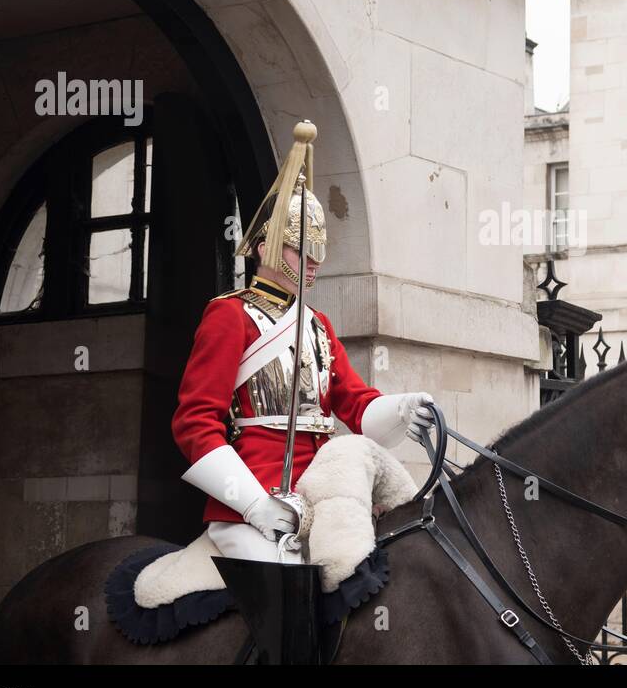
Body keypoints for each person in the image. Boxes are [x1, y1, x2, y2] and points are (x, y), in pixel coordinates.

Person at [172, 121, 435, 563]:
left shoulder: (317, 324)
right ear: (264, 248)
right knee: (285, 597)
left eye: (317, 252)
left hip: (324, 496)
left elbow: (354, 403)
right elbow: (195, 422)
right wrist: (251, 503)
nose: (313, 263)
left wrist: (402, 406)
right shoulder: (229, 315)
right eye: (300, 250)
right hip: (253, 500)